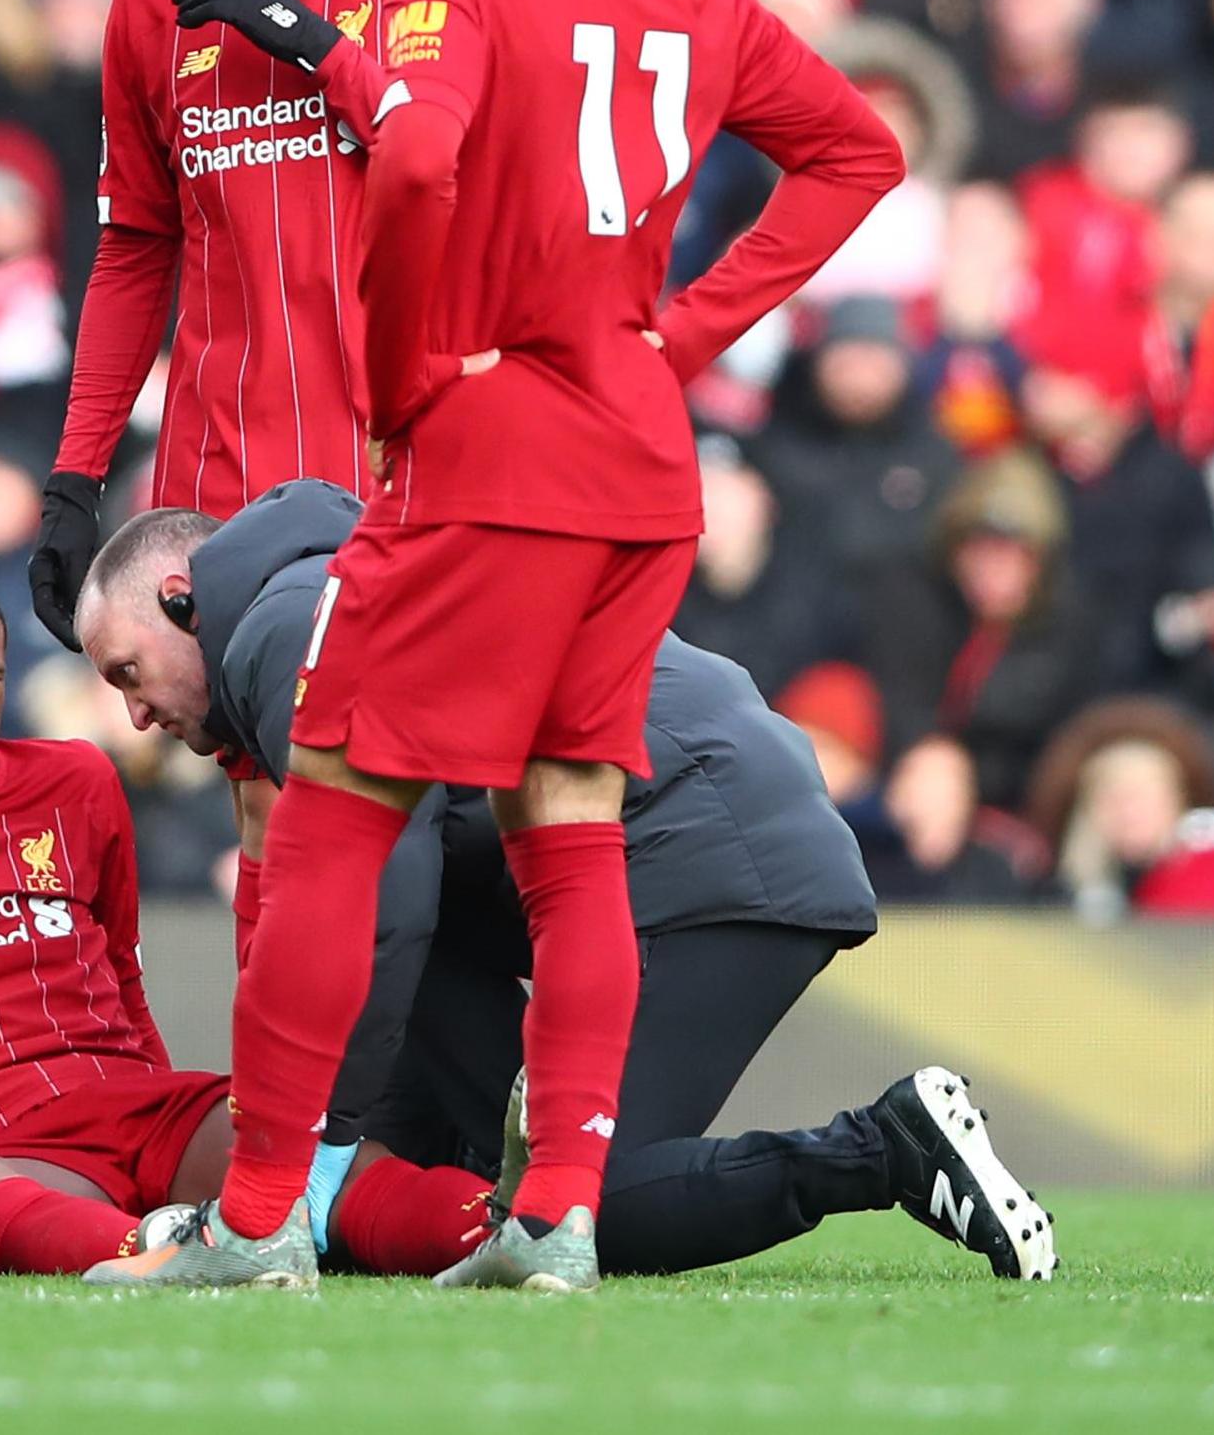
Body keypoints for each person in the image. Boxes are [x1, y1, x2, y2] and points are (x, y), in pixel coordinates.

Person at [148, 0, 903, 1293]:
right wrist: (678, 338)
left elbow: (419, 163)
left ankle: (255, 1217)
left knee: (335, 810)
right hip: (638, 457)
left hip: (491, 449)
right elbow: (861, 151)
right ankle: (556, 1214)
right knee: (568, 821)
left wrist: (410, 368)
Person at [69, 484, 1055, 1284]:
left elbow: (382, 897)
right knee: (461, 1173)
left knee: (578, 1207)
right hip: (679, 822)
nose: (136, 714)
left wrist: (303, 1150)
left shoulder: (282, 623)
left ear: (177, 596)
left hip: (704, 846)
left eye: (125, 671)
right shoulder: (320, 588)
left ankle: (885, 1149)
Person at [0, 559, 495, 1278]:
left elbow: (121, 966)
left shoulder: (74, 780)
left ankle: (506, 1226)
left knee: (312, 1159)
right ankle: (172, 1255)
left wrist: (174, 1103)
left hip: (131, 1104)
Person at [27, 0, 448, 947]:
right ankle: (305, 1131)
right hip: (230, 481)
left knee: (437, 811)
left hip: (405, 466)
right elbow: (131, 251)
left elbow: (458, 172)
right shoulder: (147, 8)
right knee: (276, 827)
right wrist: (73, 472)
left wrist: (310, 45)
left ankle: (423, 1114)